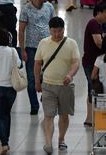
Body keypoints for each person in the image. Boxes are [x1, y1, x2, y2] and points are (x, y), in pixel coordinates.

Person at [34, 17, 80, 154]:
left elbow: (76, 63)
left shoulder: (71, 44)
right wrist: (37, 81)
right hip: (48, 85)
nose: (57, 34)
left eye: (59, 31)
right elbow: (37, 64)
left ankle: (61, 139)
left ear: (63, 30)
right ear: (49, 30)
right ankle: (48, 143)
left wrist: (70, 75)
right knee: (48, 115)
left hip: (66, 86)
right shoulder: (43, 43)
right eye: (54, 31)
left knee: (64, 115)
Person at [18, 0, 55, 115]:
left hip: (47, 47)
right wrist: (22, 50)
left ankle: (45, 99)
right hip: (31, 48)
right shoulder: (26, 9)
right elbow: (21, 30)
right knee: (32, 77)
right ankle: (34, 105)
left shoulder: (49, 7)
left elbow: (54, 25)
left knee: (47, 76)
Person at [82, 3, 106, 126]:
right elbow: (99, 43)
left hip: (94, 62)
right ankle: (91, 118)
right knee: (94, 88)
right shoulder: (94, 23)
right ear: (98, 12)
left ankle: (91, 117)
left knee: (93, 88)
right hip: (91, 63)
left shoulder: (98, 25)